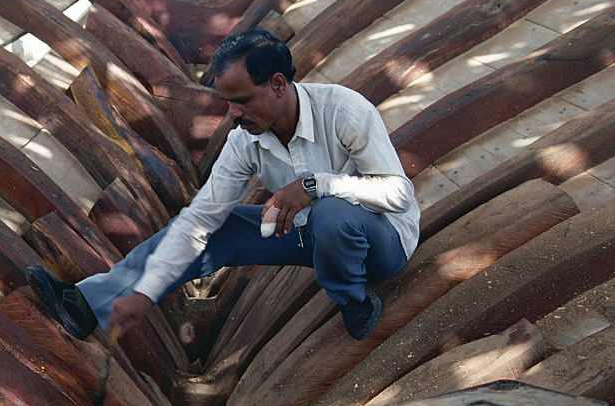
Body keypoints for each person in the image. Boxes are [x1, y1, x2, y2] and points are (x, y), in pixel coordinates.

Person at [27, 28, 420, 341]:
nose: (233, 113)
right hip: (311, 234)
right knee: (220, 225)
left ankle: (354, 300)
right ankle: (89, 302)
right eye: (227, 101)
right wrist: (146, 291)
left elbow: (398, 194)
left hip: (380, 242)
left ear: (278, 84)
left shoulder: (344, 111)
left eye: (243, 100)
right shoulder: (244, 138)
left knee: (332, 213)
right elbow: (201, 218)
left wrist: (316, 186)